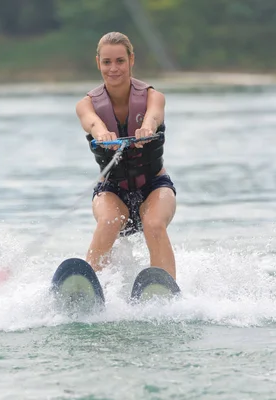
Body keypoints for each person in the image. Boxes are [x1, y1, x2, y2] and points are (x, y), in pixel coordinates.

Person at [75, 31, 177, 281]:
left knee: (153, 224)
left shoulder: (154, 96)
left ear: (131, 60)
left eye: (120, 61)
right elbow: (91, 123)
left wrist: (148, 128)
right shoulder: (86, 104)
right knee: (109, 221)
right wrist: (102, 133)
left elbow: (153, 115)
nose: (114, 68)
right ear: (98, 62)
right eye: (107, 62)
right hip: (111, 190)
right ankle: (90, 288)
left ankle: (164, 288)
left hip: (154, 187)